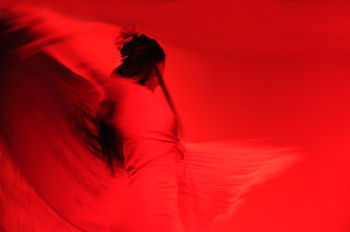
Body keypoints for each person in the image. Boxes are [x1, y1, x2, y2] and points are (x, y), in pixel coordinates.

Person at [0, 4, 300, 232]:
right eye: (160, 69)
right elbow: (82, 55)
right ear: (151, 66)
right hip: (150, 195)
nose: (161, 78)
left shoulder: (131, 97)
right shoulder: (120, 91)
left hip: (161, 190)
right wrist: (37, 23)